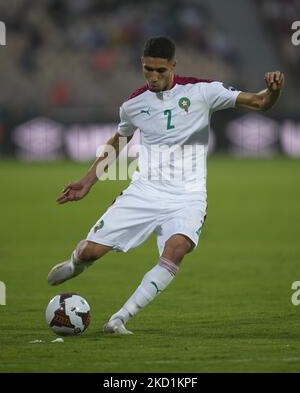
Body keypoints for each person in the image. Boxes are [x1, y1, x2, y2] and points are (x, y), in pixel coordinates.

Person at [47, 36, 285, 334]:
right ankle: (73, 265)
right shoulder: (133, 104)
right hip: (145, 191)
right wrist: (88, 180)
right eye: (148, 69)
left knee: (177, 249)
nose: (154, 76)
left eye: (161, 70)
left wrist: (273, 91)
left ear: (173, 65)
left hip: (188, 196)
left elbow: (261, 101)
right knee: (90, 254)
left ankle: (120, 318)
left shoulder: (203, 92)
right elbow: (119, 139)